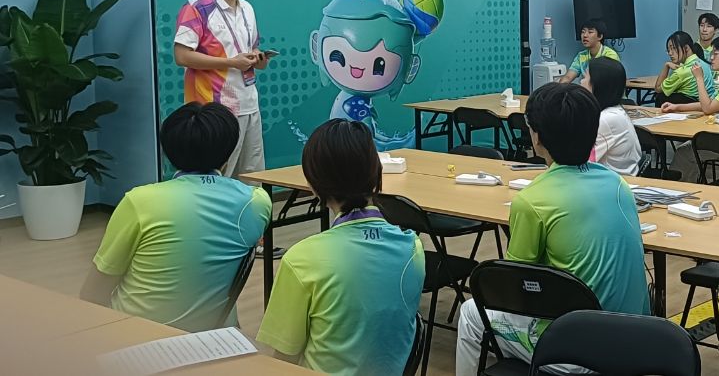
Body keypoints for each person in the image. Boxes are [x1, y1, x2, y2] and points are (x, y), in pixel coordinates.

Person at [455, 83, 650, 375]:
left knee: (471, 313)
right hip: (635, 340)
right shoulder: (618, 184)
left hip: (578, 354)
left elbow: (514, 292)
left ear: (536, 137)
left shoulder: (532, 200)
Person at [81, 102, 270, 332]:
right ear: (228, 154)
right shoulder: (257, 202)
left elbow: (93, 293)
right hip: (214, 336)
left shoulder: (140, 201)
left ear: (168, 152)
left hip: (134, 335)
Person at [258, 119, 425, 375]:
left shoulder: (302, 259)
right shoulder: (413, 248)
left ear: (313, 184)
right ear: (376, 172)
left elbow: (284, 361)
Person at [173, 0, 275, 179]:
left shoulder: (247, 8)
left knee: (253, 175)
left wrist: (257, 58)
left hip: (249, 102)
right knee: (218, 174)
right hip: (214, 108)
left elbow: (250, 48)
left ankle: (253, 205)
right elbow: (182, 56)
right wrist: (231, 62)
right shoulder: (196, 8)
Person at [583, 57, 642, 176]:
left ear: (597, 84)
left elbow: (582, 162)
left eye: (585, 78)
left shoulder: (606, 119)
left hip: (612, 182)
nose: (581, 82)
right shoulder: (614, 112)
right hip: (614, 178)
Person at [655, 31, 715, 105]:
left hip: (689, 108)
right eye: (668, 50)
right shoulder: (704, 64)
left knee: (660, 97)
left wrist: (666, 66)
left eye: (674, 48)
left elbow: (658, 89)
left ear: (686, 48)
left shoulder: (681, 72)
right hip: (708, 104)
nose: (670, 53)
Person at [560, 18, 619, 84]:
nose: (585, 35)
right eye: (583, 32)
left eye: (590, 32)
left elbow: (610, 81)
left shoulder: (610, 55)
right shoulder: (581, 56)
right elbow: (568, 77)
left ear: (600, 36)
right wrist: (558, 88)